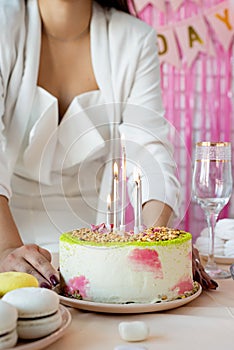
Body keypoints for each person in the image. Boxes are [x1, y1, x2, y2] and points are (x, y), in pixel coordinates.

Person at [0, 0, 217, 290]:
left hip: (95, 265)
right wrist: (6, 251)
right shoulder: (4, 23)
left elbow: (150, 151)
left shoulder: (135, 40)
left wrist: (156, 246)